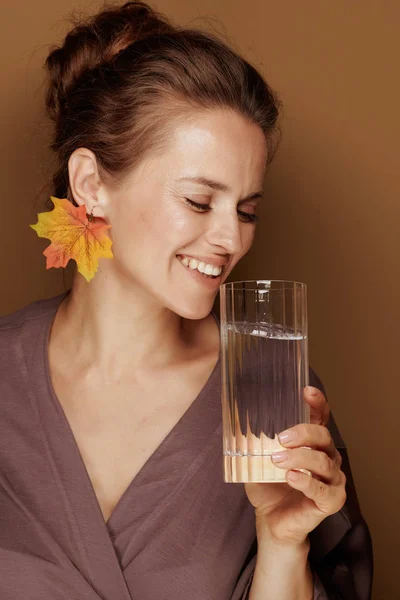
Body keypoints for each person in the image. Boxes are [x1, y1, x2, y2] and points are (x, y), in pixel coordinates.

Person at [0, 2, 373, 599]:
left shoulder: (272, 394)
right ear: (92, 185)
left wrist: (282, 543)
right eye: (200, 201)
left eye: (247, 210)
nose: (232, 239)